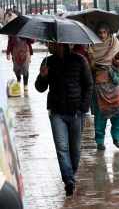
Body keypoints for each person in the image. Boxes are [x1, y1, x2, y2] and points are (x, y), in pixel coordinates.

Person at [35, 42, 93, 196]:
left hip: (76, 112)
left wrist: (83, 108)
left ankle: (70, 174)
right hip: (57, 112)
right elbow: (40, 88)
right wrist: (42, 76)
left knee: (75, 149)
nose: (50, 45)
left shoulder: (80, 60)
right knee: (62, 148)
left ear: (62, 44)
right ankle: (69, 180)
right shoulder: (48, 62)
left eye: (52, 43)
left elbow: (88, 85)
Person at [88, 22, 119, 150]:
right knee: (101, 115)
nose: (102, 35)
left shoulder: (115, 43)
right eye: (99, 33)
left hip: (115, 83)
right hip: (100, 85)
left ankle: (117, 138)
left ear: (108, 33)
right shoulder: (91, 46)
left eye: (104, 32)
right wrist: (93, 65)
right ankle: (100, 141)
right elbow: (88, 65)